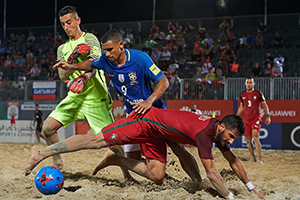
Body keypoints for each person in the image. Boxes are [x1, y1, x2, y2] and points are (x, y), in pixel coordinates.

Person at [54, 29, 202, 184]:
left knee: (177, 147)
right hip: (134, 117)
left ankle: (198, 182)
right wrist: (71, 67)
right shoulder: (105, 60)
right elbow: (91, 64)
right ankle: (119, 160)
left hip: (156, 112)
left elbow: (163, 81)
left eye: (110, 50)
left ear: (121, 45)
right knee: (134, 160)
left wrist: (148, 101)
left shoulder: (140, 58)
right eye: (105, 50)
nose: (108, 54)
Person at [25, 107, 265, 199]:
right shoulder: (205, 134)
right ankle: (44, 152)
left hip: (162, 132)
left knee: (157, 176)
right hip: (146, 121)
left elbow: (232, 161)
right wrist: (231, 198)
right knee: (97, 140)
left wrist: (252, 189)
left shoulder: (218, 131)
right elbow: (213, 172)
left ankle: (116, 158)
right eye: (231, 137)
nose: (231, 142)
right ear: (222, 127)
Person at [41, 5, 121, 177]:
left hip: (95, 97)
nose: (66, 27)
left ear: (78, 20)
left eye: (69, 22)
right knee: (47, 128)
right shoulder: (62, 49)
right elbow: (62, 75)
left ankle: (127, 175)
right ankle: (58, 164)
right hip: (75, 97)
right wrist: (72, 57)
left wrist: (84, 77)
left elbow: (96, 63)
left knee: (114, 141)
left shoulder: (90, 38)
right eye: (63, 24)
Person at [237, 77, 271, 164]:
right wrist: (237, 116)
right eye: (247, 82)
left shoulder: (258, 93)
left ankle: (260, 159)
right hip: (246, 120)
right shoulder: (243, 94)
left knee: (255, 138)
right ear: (245, 84)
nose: (249, 84)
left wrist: (268, 116)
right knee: (248, 140)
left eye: (250, 82)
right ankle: (252, 158)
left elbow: (264, 105)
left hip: (256, 118)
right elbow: (242, 106)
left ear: (253, 84)